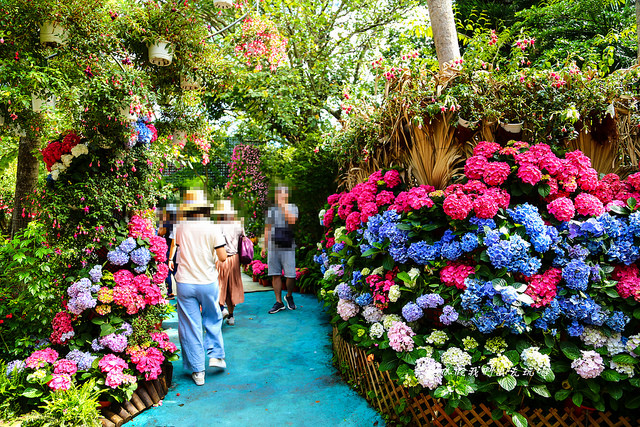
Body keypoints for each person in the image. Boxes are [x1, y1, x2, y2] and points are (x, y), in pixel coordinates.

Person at [168, 189, 227, 386]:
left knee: (189, 326)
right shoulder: (212, 227)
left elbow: (175, 246)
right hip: (207, 281)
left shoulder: (180, 226)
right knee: (213, 317)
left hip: (184, 282)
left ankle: (198, 371)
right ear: (204, 208)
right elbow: (222, 257)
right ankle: (216, 356)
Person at [262, 185, 298, 314]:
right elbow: (267, 228)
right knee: (275, 274)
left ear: (287, 195)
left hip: (287, 246)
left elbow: (292, 221)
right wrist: (264, 246)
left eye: (283, 194)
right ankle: (278, 302)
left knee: (291, 275)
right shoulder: (271, 210)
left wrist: (283, 206)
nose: (280, 196)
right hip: (273, 246)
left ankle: (288, 295)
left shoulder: (293, 208)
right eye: (278, 194)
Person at [214, 199, 245, 326]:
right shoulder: (238, 224)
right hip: (235, 258)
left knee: (219, 286)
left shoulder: (217, 225)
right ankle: (231, 316)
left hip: (221, 258)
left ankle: (221, 310)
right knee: (232, 287)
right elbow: (243, 240)